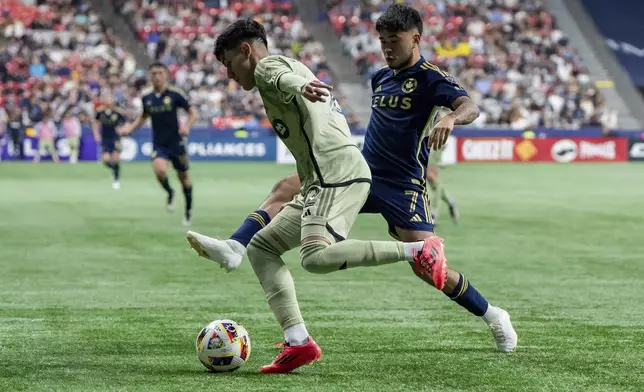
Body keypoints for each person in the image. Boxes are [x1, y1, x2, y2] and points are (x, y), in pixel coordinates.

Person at [188, 5, 517, 363]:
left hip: (402, 183)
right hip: (359, 170)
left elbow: (470, 105)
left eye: (395, 41)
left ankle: (494, 315)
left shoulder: (429, 77)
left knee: (428, 270)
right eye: (383, 41)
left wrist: (452, 117)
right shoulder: (380, 78)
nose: (388, 48)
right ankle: (238, 247)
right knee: (287, 187)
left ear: (416, 39)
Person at [119, 63, 199, 225]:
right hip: (159, 143)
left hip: (176, 143)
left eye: (160, 73)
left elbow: (192, 112)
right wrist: (130, 129)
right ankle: (170, 192)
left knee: (184, 179)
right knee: (160, 171)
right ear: (150, 76)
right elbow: (143, 117)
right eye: (154, 73)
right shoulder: (147, 98)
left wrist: (187, 126)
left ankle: (188, 211)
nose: (157, 76)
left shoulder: (175, 94)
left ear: (166, 75)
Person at [93, 96, 127, 189]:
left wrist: (122, 130)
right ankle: (115, 169)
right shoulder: (100, 111)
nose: (108, 101)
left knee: (116, 158)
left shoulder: (118, 112)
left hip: (115, 138)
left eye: (110, 99)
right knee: (106, 160)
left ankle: (116, 179)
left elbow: (124, 123)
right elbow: (96, 123)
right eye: (107, 99)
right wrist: (96, 133)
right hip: (105, 138)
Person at [426, 143, 459, 224]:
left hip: (430, 167)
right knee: (438, 187)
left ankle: (433, 213)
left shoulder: (437, 147)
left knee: (437, 187)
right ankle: (450, 201)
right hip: (428, 166)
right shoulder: (435, 147)